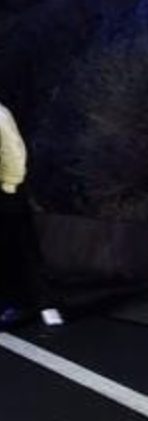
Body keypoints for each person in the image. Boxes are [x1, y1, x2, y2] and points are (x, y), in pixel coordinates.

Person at [0, 100, 59, 327]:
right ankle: (34, 304)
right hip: (8, 191)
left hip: (7, 191)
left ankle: (39, 304)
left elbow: (14, 150)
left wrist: (9, 185)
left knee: (18, 249)